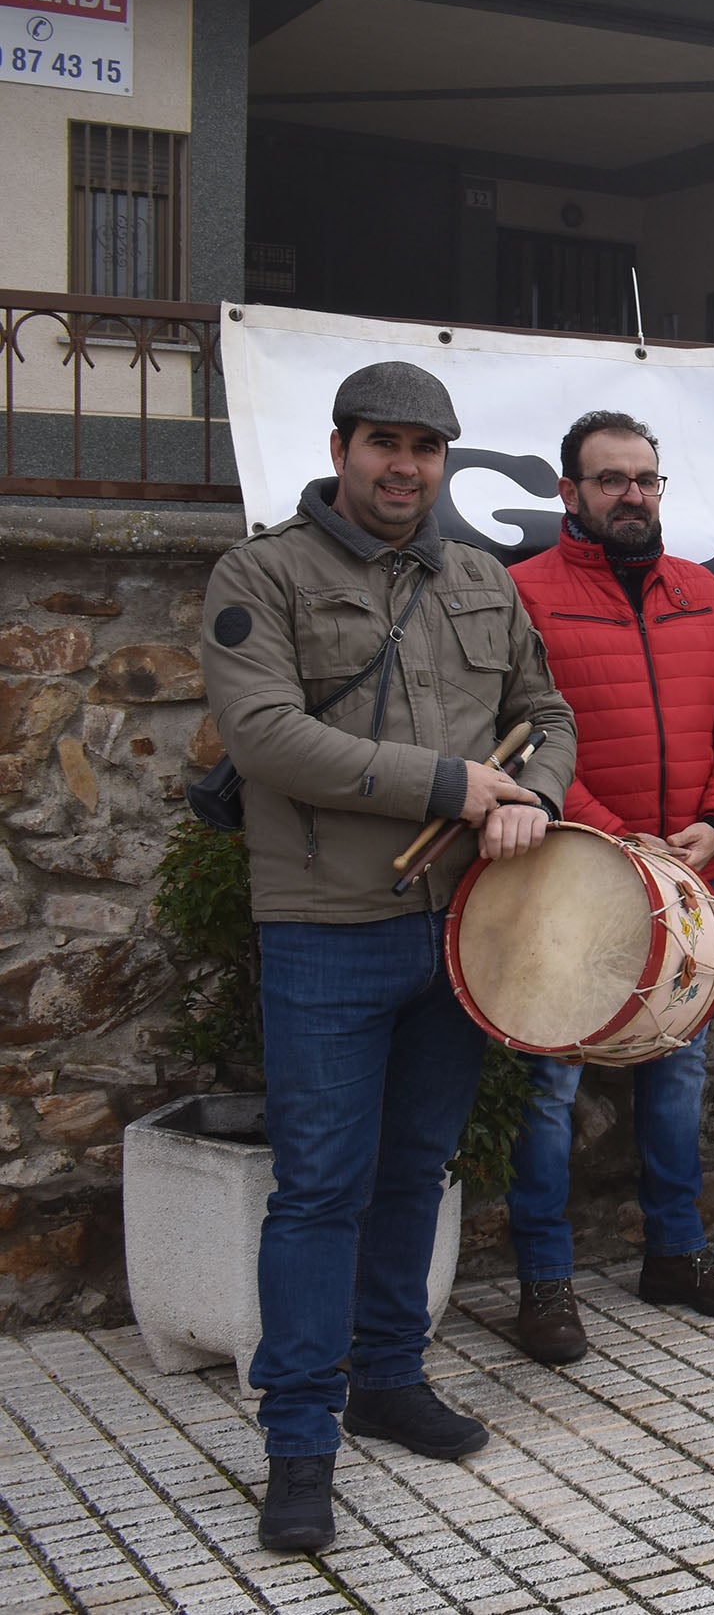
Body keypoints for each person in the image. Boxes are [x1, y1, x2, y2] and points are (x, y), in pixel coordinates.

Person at [200, 363, 575, 1553]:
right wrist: (451, 784)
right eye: (382, 443)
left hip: (462, 930)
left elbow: (548, 713)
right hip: (327, 929)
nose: (404, 466)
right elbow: (264, 736)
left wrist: (535, 799)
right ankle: (300, 1442)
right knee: (319, 1191)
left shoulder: (478, 578)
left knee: (417, 1170)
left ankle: (387, 1380)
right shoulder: (261, 572)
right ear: (340, 446)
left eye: (425, 446)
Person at [503, 409, 714, 1364]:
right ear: (569, 492)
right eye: (611, 480)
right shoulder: (521, 592)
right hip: (573, 878)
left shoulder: (702, 591)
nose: (633, 496)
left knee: (678, 1072)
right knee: (551, 1085)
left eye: (646, 479)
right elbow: (519, 734)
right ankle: (542, 1281)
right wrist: (619, 844)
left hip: (695, 876)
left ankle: (677, 1254)